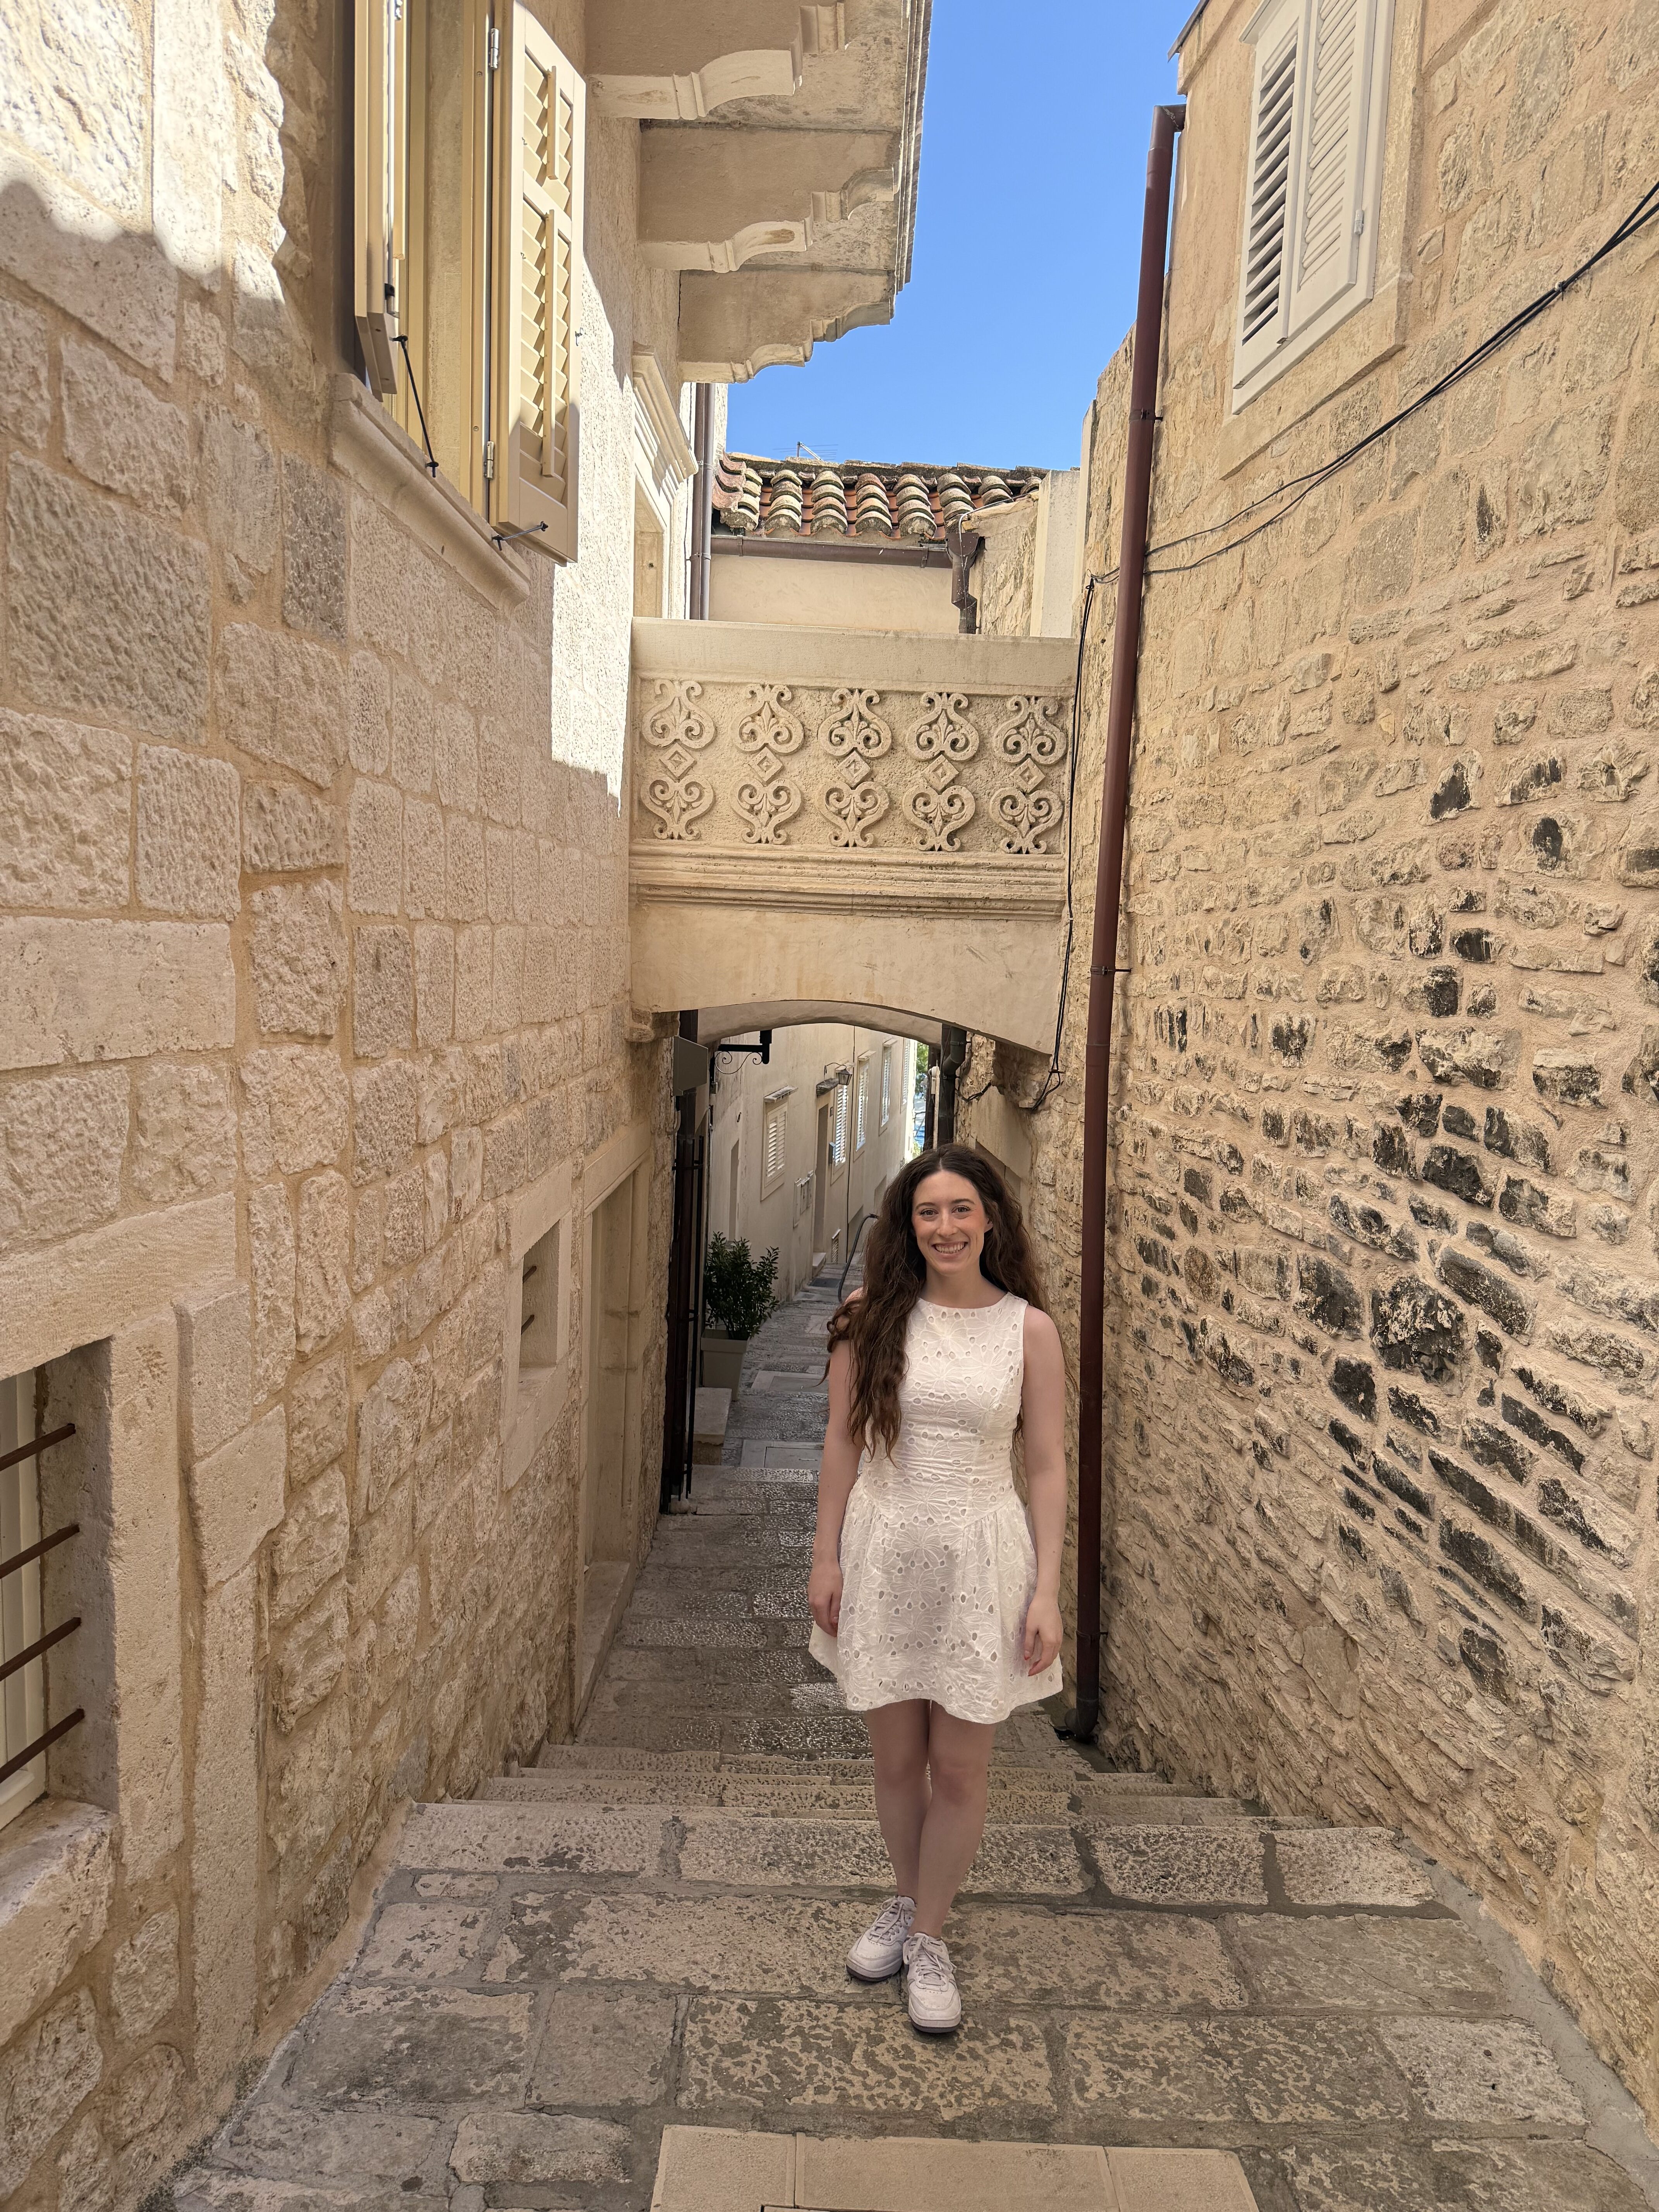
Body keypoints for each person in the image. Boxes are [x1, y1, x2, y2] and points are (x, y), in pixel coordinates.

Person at [807, 1144, 1066, 2034]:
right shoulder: (869, 1318)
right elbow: (843, 1445)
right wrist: (825, 1556)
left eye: (961, 1210)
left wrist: (1048, 1591)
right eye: (928, 1212)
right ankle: (905, 1898)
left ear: (990, 1217)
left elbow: (1045, 1467)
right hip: (886, 1550)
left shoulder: (1028, 1331)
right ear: (906, 1226)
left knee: (959, 1768)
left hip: (981, 1560)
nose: (945, 1228)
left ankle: (928, 1937)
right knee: (893, 1762)